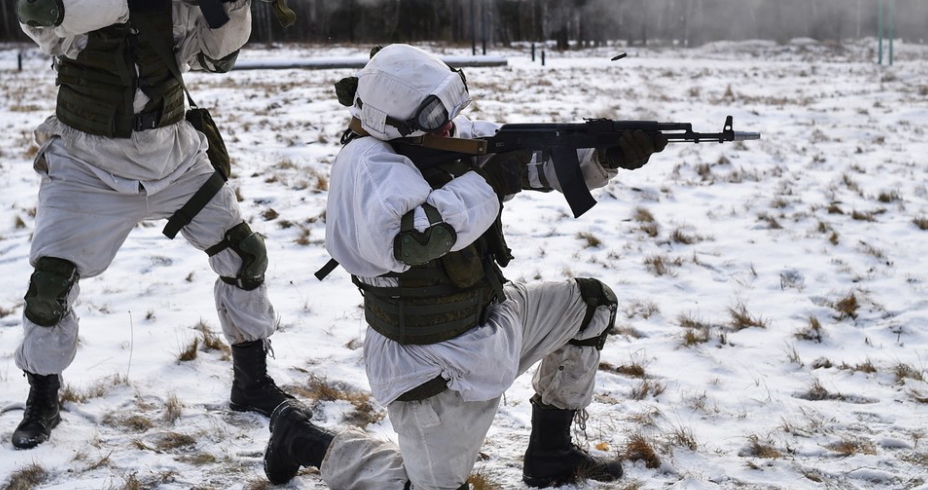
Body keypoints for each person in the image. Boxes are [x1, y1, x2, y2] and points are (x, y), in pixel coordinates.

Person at [264, 44, 668, 488]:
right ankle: (303, 440)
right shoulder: (367, 169)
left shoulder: (432, 139)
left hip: (490, 323)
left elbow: (528, 162)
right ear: (393, 120)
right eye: (436, 117)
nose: (451, 125)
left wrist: (602, 156)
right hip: (430, 369)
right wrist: (492, 181)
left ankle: (551, 454)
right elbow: (415, 238)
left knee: (590, 305)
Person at [10, 0, 300, 450]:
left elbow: (219, 57)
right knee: (50, 287)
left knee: (245, 254)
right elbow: (39, 8)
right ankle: (42, 395)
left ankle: (253, 381)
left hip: (174, 154)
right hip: (86, 164)